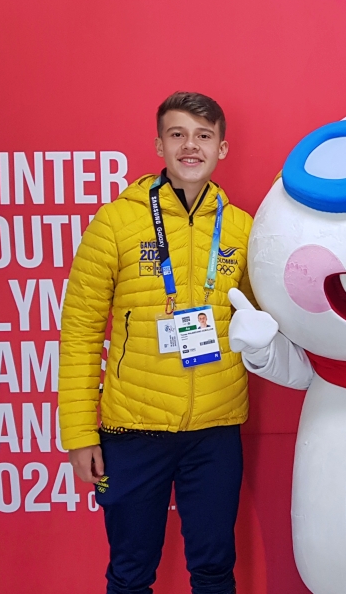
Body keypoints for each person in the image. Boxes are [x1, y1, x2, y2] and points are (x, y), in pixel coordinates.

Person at [59, 91, 255, 594]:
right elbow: (80, 330)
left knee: (214, 571)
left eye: (204, 136)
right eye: (178, 134)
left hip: (214, 429)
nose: (191, 146)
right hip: (132, 429)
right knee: (130, 574)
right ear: (160, 145)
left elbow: (268, 317)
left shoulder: (243, 229)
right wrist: (80, 434)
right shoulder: (116, 223)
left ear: (222, 148)